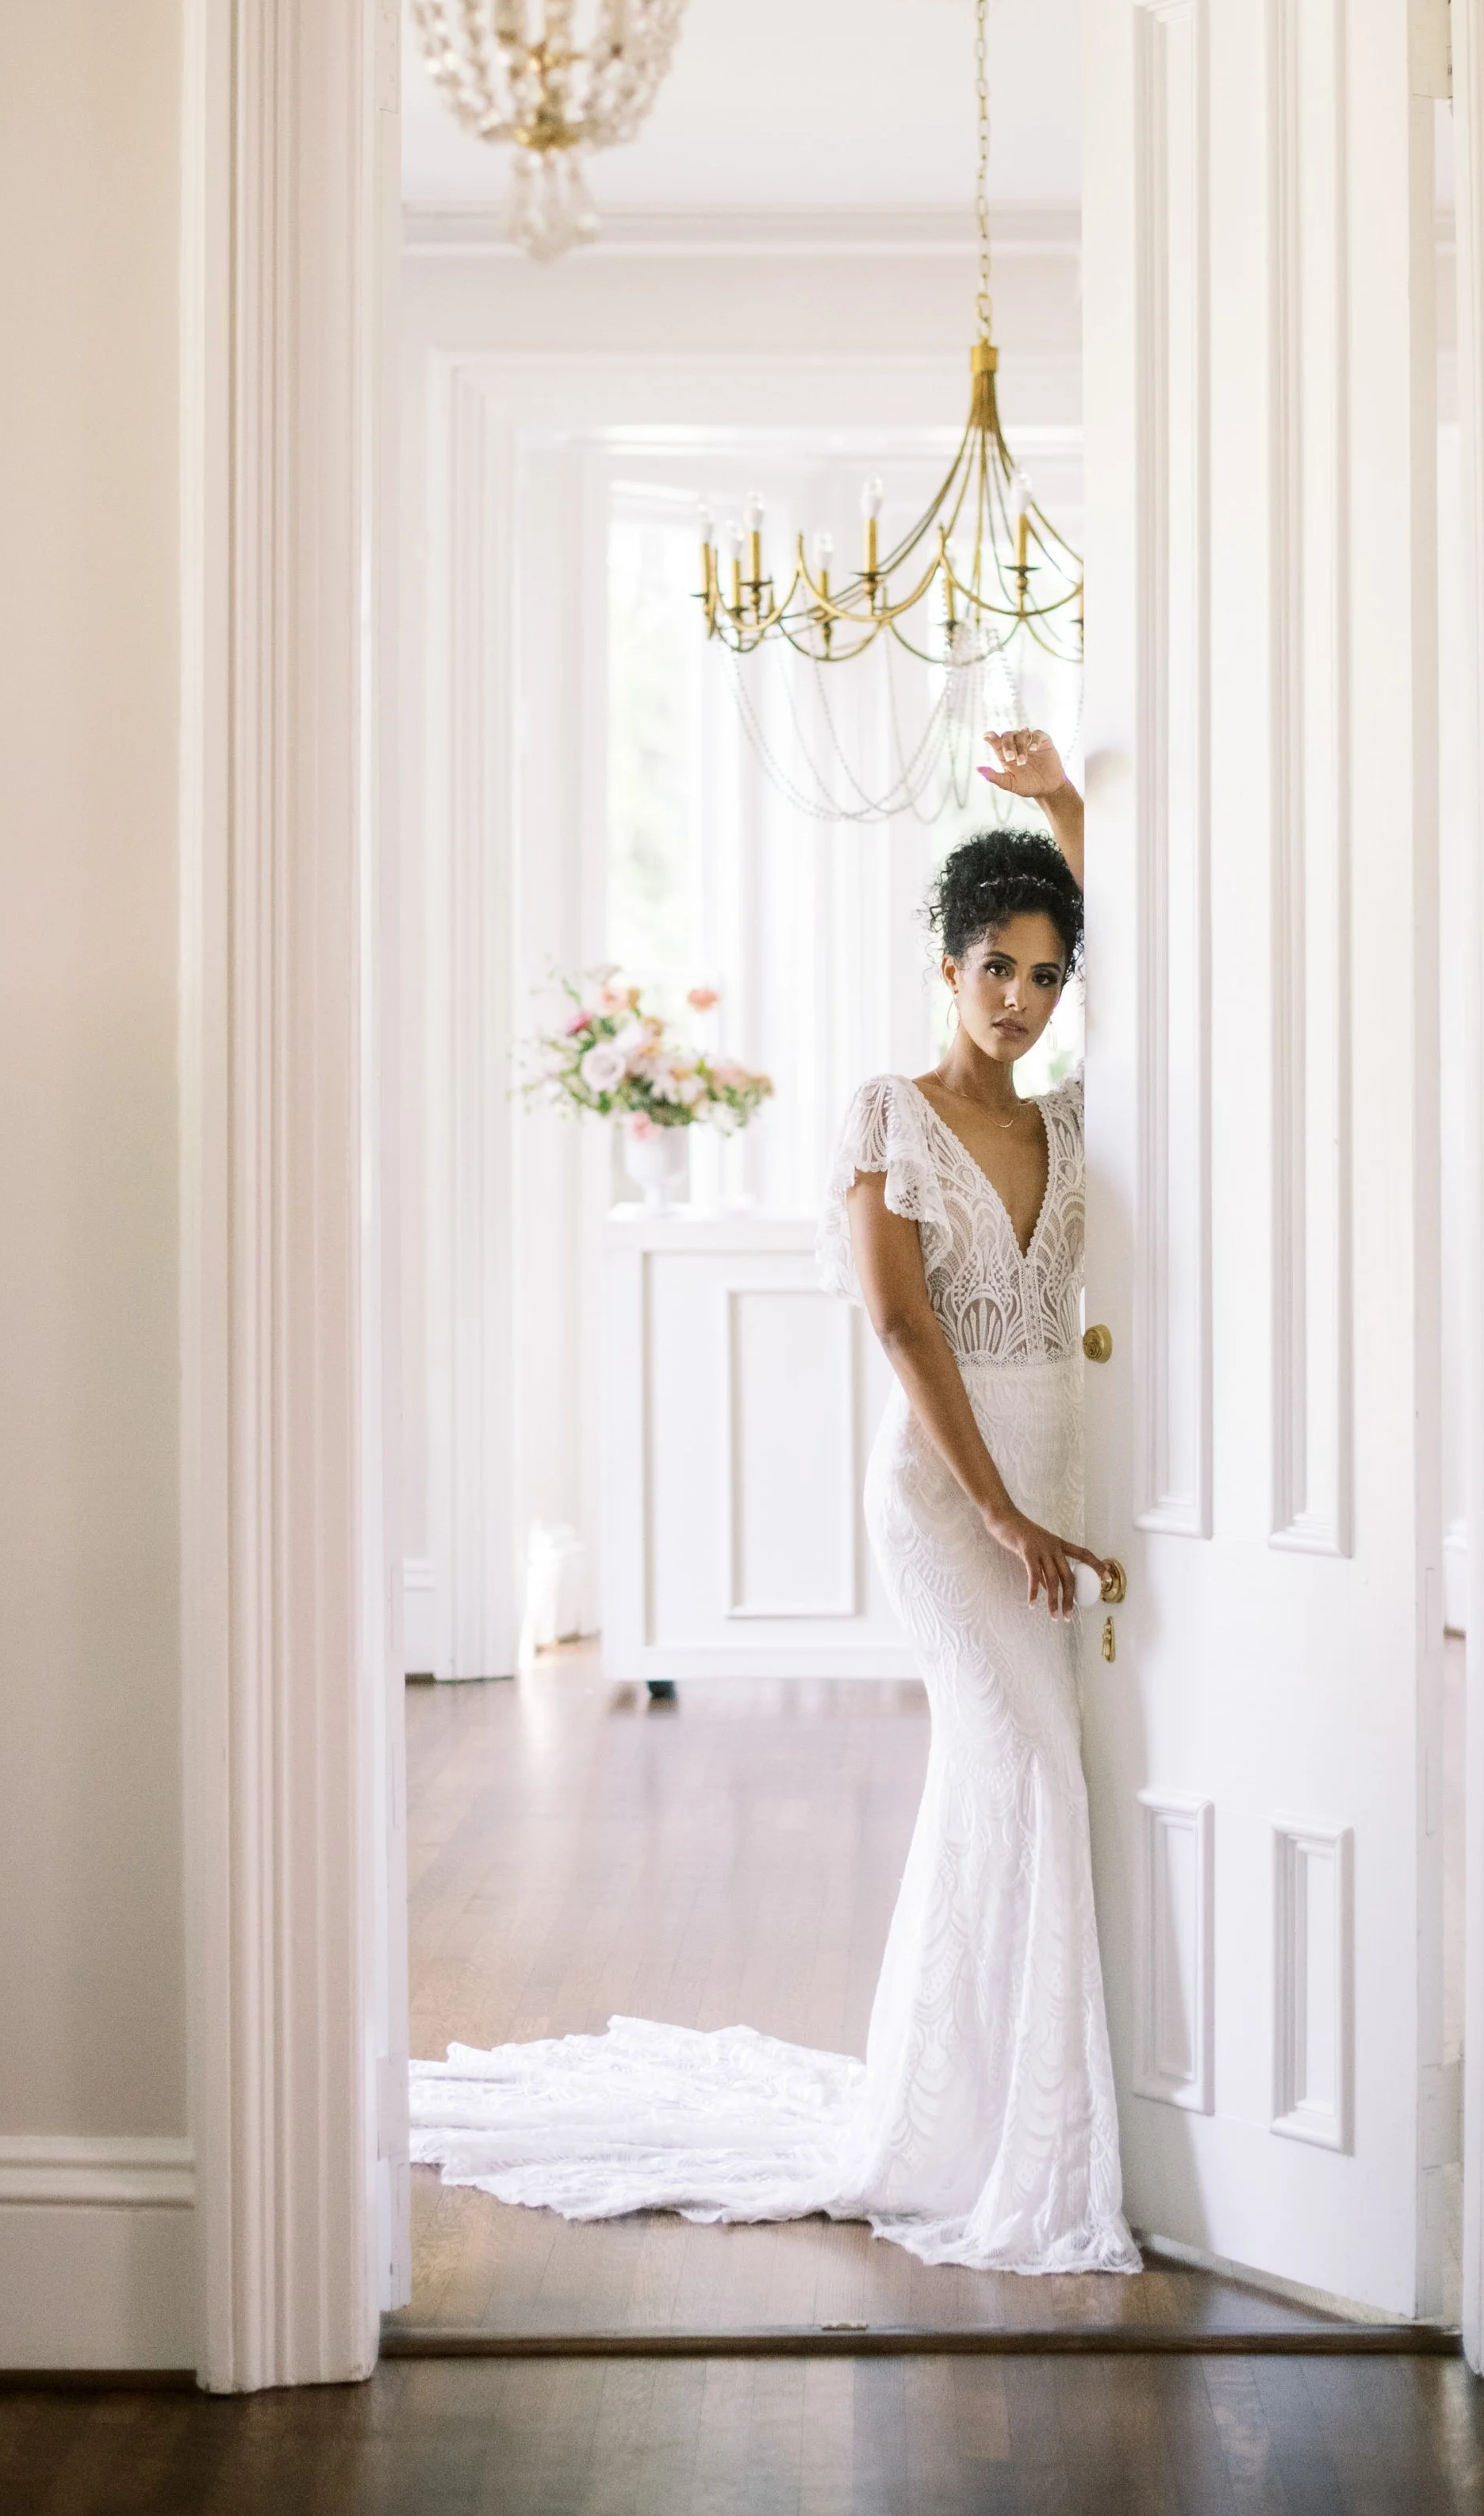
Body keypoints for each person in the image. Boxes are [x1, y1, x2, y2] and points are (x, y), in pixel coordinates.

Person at [409, 730, 1140, 2275]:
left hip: (1057, 1478)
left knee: (1009, 1788)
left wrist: (1070, 815)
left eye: (1043, 975)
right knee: (1033, 1775)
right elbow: (901, 1328)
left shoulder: (1069, 1118)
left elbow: (1144, 978)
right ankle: (1003, 2143)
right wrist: (1005, 1517)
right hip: (951, 1507)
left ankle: (976, 2113)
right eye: (994, 968)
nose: (1018, 1000)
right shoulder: (890, 1114)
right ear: (943, 968)